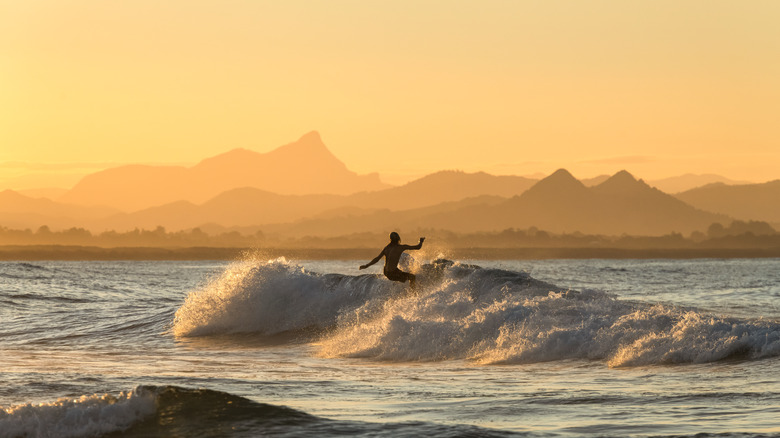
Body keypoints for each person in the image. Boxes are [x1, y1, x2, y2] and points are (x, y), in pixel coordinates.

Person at [359, 232, 425, 289]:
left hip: (386, 272)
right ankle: (413, 295)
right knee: (412, 277)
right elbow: (418, 247)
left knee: (402, 273)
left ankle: (403, 286)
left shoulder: (387, 248)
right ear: (398, 239)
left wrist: (366, 265)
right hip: (392, 273)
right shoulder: (400, 247)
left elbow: (377, 259)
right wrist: (421, 241)